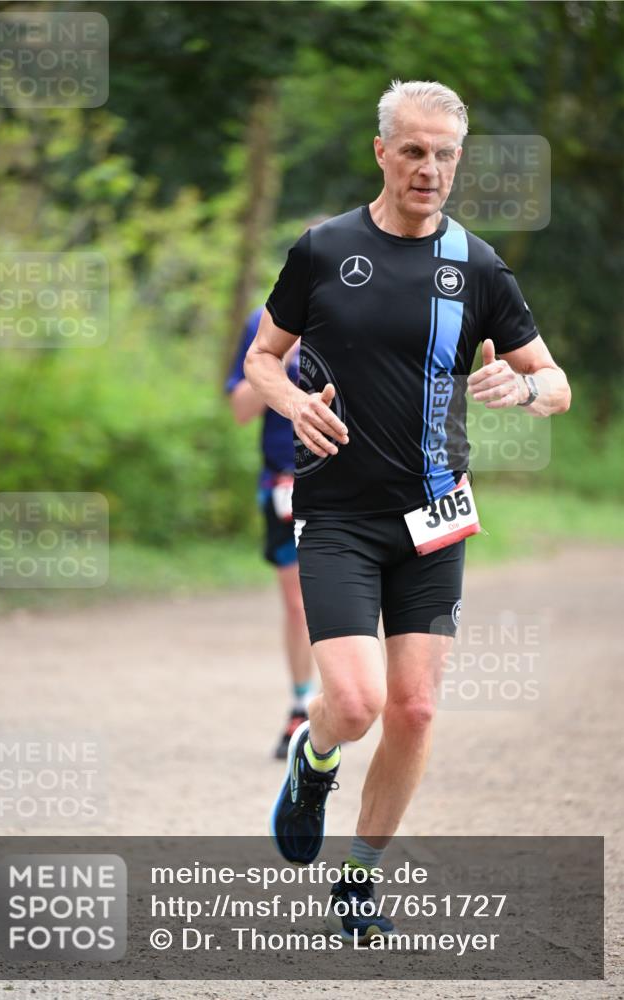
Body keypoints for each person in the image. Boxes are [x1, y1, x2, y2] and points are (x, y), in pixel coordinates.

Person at [244, 79, 571, 942]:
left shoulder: (477, 265)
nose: (430, 169)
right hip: (338, 515)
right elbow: (262, 359)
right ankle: (315, 761)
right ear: (381, 152)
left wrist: (521, 388)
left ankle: (358, 878)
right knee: (355, 704)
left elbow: (554, 382)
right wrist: (290, 402)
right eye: (415, 151)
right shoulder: (323, 249)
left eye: (445, 154)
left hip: (434, 517)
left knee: (415, 710)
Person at [226, 307, 314, 759]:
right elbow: (240, 410)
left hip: (351, 485)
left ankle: (347, 700)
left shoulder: (364, 311)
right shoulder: (264, 322)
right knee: (299, 605)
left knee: (351, 598)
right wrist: (277, 359)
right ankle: (302, 706)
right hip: (284, 483)